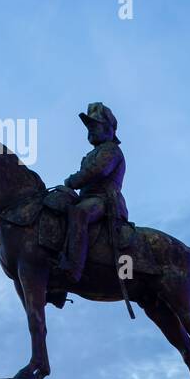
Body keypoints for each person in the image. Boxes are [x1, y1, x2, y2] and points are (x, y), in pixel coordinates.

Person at [57, 102, 127, 282]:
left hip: (105, 201)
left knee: (79, 214)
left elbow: (98, 171)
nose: (91, 130)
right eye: (89, 127)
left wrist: (72, 181)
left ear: (109, 129)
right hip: (87, 198)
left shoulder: (110, 150)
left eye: (95, 126)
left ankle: (74, 269)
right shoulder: (94, 153)